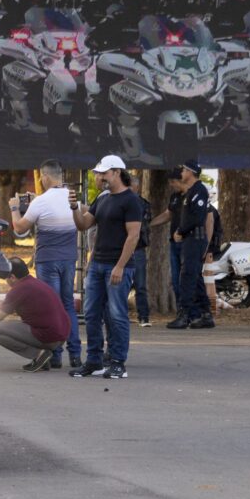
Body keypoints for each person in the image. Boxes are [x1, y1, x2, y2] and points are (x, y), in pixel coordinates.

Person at [67, 155, 141, 379]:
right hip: (97, 264)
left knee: (117, 315)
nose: (99, 177)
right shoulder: (102, 198)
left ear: (117, 172)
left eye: (104, 173)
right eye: (98, 173)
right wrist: (74, 207)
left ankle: (118, 362)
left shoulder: (130, 200)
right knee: (91, 313)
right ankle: (94, 361)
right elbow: (83, 224)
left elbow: (133, 236)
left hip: (117, 266)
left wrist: (120, 266)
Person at [7, 159, 82, 369]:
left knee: (52, 305)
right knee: (68, 305)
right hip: (69, 259)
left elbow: (20, 228)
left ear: (46, 176)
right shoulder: (72, 198)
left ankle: (54, 355)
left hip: (48, 259)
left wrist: (14, 208)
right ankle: (75, 354)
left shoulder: (40, 202)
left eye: (41, 177)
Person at [0, 258, 71, 372]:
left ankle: (38, 355)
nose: (5, 281)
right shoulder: (34, 283)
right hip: (61, 335)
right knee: (10, 326)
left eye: (5, 277)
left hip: (48, 335)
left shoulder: (19, 289)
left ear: (12, 277)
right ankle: (42, 360)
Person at [167, 161, 215, 329]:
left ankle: (184, 315)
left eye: (184, 170)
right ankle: (206, 314)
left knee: (187, 277)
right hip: (190, 239)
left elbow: (198, 217)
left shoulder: (199, 191)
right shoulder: (191, 191)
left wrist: (181, 230)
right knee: (195, 277)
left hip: (195, 239)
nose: (182, 173)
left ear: (191, 172)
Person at [150, 168, 185, 305]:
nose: (171, 185)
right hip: (174, 243)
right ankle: (181, 309)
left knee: (186, 279)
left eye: (173, 182)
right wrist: (150, 223)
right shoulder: (174, 196)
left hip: (187, 243)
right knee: (175, 280)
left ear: (181, 180)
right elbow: (168, 214)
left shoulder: (192, 195)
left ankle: (190, 310)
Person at [128, 176, 152, 326]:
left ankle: (143, 316)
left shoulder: (143, 204)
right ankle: (118, 315)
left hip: (137, 248)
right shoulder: (120, 201)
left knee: (140, 284)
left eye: (131, 186)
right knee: (120, 284)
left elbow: (144, 225)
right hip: (122, 247)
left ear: (137, 187)